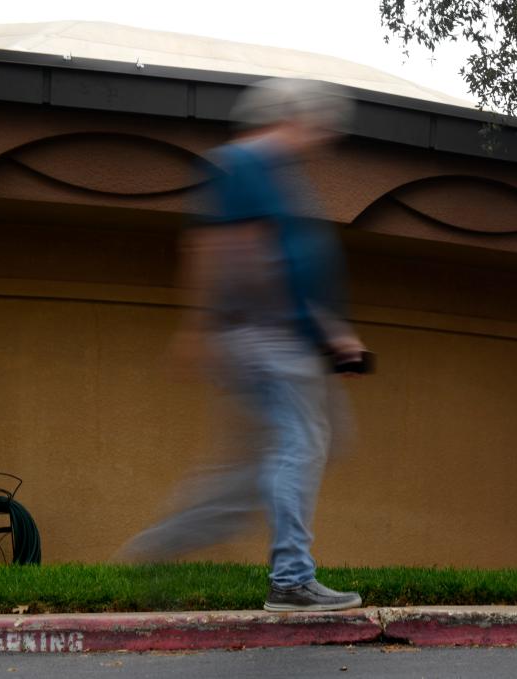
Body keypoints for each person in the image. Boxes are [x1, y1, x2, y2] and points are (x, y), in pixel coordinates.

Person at [117, 78, 366, 612]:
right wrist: (205, 327)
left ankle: (170, 540)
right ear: (290, 118)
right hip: (266, 337)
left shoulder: (278, 177)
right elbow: (220, 249)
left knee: (280, 456)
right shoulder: (245, 164)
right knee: (300, 447)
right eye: (318, 125)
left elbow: (289, 264)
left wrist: (332, 333)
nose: (322, 137)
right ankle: (291, 578)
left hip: (280, 336)